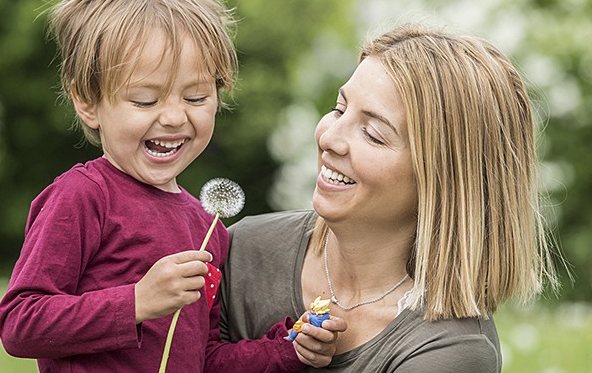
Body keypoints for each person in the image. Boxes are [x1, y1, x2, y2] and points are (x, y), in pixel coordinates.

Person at [218, 23, 560, 372]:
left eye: (372, 134)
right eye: (339, 109)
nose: (329, 138)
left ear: (441, 181)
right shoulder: (242, 253)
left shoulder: (451, 351)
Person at [0, 0, 241, 371]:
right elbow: (21, 322)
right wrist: (137, 302)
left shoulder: (210, 230)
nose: (175, 117)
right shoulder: (83, 197)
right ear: (88, 103)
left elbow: (203, 357)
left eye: (196, 97)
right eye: (145, 100)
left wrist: (286, 349)